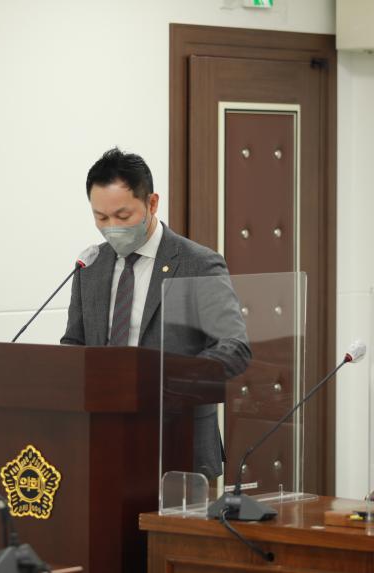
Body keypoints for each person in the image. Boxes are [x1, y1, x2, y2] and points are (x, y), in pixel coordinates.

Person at [61, 147, 250, 478]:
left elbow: (235, 348)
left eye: (122, 216)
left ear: (151, 203)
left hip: (179, 442)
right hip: (103, 439)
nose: (111, 228)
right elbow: (75, 344)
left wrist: (171, 382)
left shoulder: (198, 264)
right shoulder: (90, 265)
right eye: (101, 218)